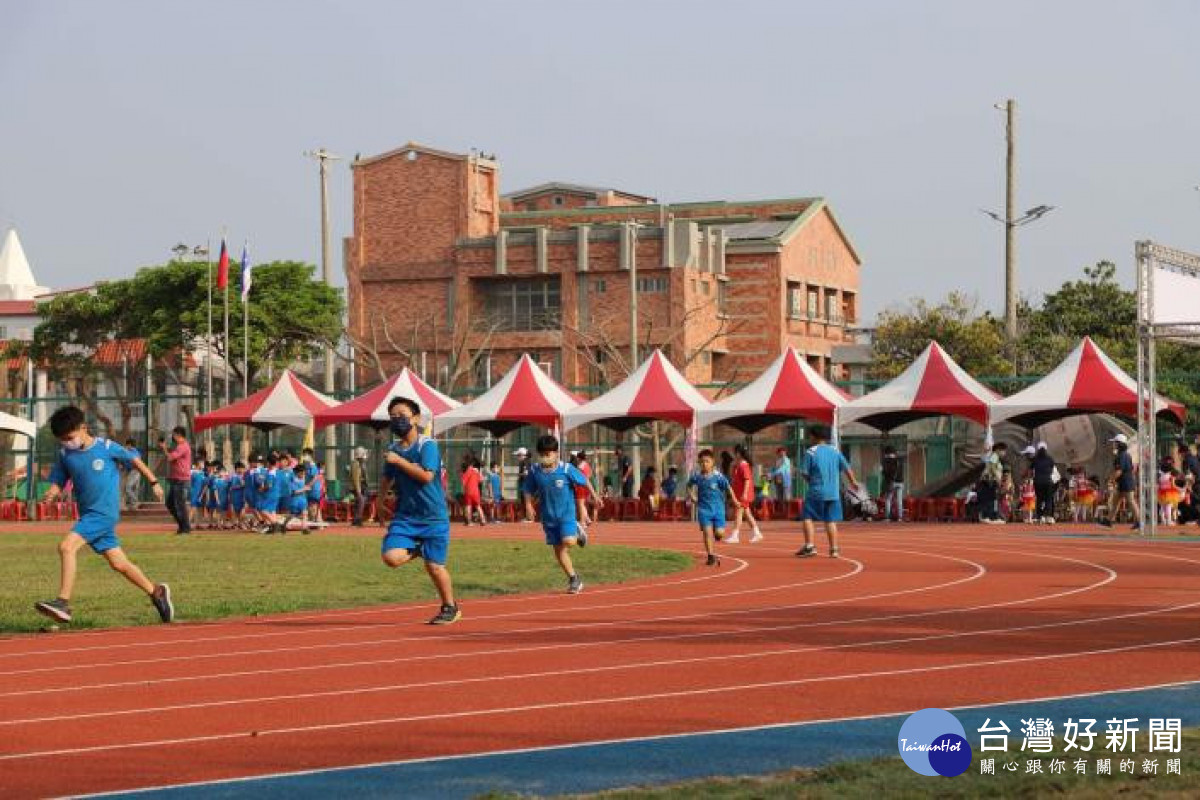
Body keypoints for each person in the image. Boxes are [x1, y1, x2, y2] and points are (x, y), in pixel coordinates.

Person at [34, 405, 173, 625]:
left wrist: (154, 482)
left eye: (69, 437)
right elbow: (59, 481)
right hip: (88, 513)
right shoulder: (65, 454)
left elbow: (134, 461)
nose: (66, 442)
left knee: (66, 547)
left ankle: (62, 602)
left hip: (104, 513)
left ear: (83, 428)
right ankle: (156, 592)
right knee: (119, 563)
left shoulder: (107, 447)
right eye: (62, 439)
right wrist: (52, 492)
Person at [380, 396, 460, 624]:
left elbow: (427, 476)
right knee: (391, 558)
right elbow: (387, 476)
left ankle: (450, 607)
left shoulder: (428, 445)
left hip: (433, 516)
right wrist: (379, 500)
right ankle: (419, 549)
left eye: (402, 415)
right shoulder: (393, 448)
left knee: (435, 567)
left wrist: (400, 462)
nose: (397, 420)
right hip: (405, 516)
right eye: (392, 417)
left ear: (416, 418)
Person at [522, 434, 597, 594]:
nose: (544, 458)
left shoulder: (566, 469)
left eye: (547, 454)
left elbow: (584, 480)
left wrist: (595, 496)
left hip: (566, 515)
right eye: (541, 454)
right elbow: (528, 489)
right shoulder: (535, 470)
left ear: (556, 453)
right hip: (548, 518)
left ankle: (577, 531)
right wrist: (528, 505)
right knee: (559, 551)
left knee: (569, 542)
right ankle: (574, 579)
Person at [796, 425, 858, 559]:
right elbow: (847, 467)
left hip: (817, 491)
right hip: (833, 492)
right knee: (830, 520)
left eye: (810, 436)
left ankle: (809, 546)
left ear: (814, 436)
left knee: (807, 517)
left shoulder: (811, 452)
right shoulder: (835, 451)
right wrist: (853, 481)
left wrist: (810, 482)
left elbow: (804, 473)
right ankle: (834, 549)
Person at [688, 448, 742, 567]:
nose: (704, 464)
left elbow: (728, 488)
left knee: (719, 533)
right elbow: (689, 485)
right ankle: (711, 556)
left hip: (718, 510)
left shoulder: (718, 477)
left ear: (712, 462)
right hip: (703, 509)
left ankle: (717, 534)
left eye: (707, 461)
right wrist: (692, 496)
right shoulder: (697, 476)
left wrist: (735, 500)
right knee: (707, 533)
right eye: (701, 462)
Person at [1100, 433, 1139, 530]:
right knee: (1116, 502)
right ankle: (1109, 521)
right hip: (1123, 482)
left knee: (1130, 501)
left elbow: (1119, 471)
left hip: (1126, 482)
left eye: (1115, 442)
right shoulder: (1125, 455)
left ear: (1119, 444)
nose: (1113, 444)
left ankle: (1139, 521)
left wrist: (1110, 479)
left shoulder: (1121, 456)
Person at [727, 444, 762, 544]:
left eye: (735, 452)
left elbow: (747, 480)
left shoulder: (744, 465)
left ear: (738, 453)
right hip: (739, 494)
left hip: (743, 495)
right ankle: (757, 533)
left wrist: (745, 493)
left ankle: (735, 535)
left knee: (738, 513)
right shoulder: (738, 465)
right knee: (747, 514)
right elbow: (733, 477)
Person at [160, 427, 192, 535]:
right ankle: (182, 526)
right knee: (170, 503)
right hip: (176, 479)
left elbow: (170, 458)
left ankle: (185, 528)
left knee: (180, 504)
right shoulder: (179, 446)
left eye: (174, 435)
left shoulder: (183, 446)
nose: (172, 437)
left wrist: (164, 448)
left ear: (178, 435)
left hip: (181, 480)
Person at [978, 442, 1007, 525]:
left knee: (989, 499)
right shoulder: (994, 456)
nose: (1004, 453)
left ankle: (987, 516)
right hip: (990, 480)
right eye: (1003, 451)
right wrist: (998, 479)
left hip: (988, 480)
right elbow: (992, 467)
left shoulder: (993, 456)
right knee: (993, 499)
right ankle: (993, 517)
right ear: (998, 450)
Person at [1030, 441, 1057, 524]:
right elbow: (1052, 469)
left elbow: (1031, 470)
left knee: (1039, 499)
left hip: (1038, 482)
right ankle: (1048, 516)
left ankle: (1040, 516)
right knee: (1048, 499)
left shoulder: (1035, 459)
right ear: (1046, 449)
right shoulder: (1050, 459)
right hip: (1048, 482)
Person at [880, 444, 904, 522]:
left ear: (887, 453)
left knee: (888, 499)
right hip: (900, 482)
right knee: (899, 500)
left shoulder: (887, 461)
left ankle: (887, 517)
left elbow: (886, 473)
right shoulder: (899, 460)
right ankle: (900, 517)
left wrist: (883, 471)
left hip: (891, 482)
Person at [572, 451, 595, 528]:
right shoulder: (587, 465)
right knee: (582, 503)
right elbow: (590, 474)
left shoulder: (580, 466)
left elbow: (577, 476)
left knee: (580, 504)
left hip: (581, 486)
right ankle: (587, 519)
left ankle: (582, 522)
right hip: (586, 486)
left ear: (579, 458)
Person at [461, 458, 486, 526]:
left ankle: (469, 522)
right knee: (478, 506)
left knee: (468, 506)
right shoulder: (476, 471)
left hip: (468, 491)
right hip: (476, 492)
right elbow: (480, 480)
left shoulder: (468, 471)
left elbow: (463, 481)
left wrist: (463, 489)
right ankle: (483, 520)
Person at [1158, 455, 1182, 526]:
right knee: (1169, 506)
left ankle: (1163, 520)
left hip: (1161, 492)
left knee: (1162, 506)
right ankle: (1168, 521)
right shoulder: (1172, 474)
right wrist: (1179, 489)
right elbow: (1173, 483)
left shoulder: (1160, 474)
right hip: (1170, 492)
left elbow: (1159, 483)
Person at [349, 446, 369, 527]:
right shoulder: (356, 464)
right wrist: (358, 490)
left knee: (359, 503)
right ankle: (358, 519)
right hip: (358, 487)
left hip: (362, 486)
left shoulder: (361, 463)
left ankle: (356, 519)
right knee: (361, 502)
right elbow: (356, 478)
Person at [121, 438, 142, 510]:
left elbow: (133, 462)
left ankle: (135, 502)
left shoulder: (133, 452)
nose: (125, 446)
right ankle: (133, 505)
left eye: (126, 445)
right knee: (133, 488)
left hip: (135, 471)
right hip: (133, 471)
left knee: (128, 488)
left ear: (129, 445)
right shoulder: (133, 452)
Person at [515, 447, 533, 521]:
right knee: (525, 501)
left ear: (523, 455)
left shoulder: (524, 462)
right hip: (525, 484)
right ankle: (528, 517)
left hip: (525, 484)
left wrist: (519, 475)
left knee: (526, 501)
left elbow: (526, 473)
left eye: (519, 455)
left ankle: (529, 517)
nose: (517, 457)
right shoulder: (526, 462)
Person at [230, 461, 247, 529]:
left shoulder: (244, 476)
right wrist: (241, 486)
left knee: (242, 511)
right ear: (237, 469)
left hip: (243, 496)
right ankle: (236, 524)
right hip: (235, 496)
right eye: (241, 468)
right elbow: (232, 487)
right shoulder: (234, 476)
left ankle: (240, 523)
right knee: (235, 511)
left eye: (243, 468)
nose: (242, 470)